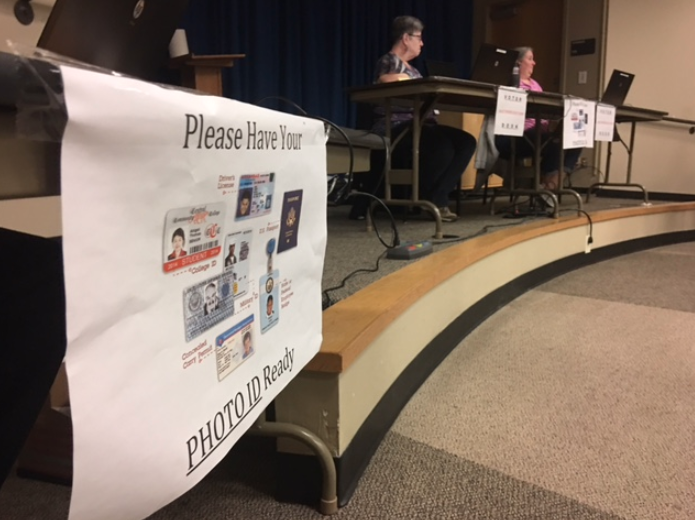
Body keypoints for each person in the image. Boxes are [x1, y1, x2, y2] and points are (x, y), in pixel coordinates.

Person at [357, 15, 477, 223]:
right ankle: (427, 197)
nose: (422, 43)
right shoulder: (389, 61)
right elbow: (385, 80)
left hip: (421, 125)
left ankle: (437, 196)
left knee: (466, 141)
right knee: (441, 146)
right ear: (406, 38)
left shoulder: (415, 70)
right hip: (396, 126)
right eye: (418, 38)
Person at [494, 47, 583, 198]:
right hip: (516, 137)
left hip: (538, 136)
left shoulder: (536, 85)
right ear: (518, 62)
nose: (534, 63)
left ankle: (550, 185)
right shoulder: (508, 82)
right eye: (529, 59)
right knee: (555, 142)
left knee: (576, 140)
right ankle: (548, 188)